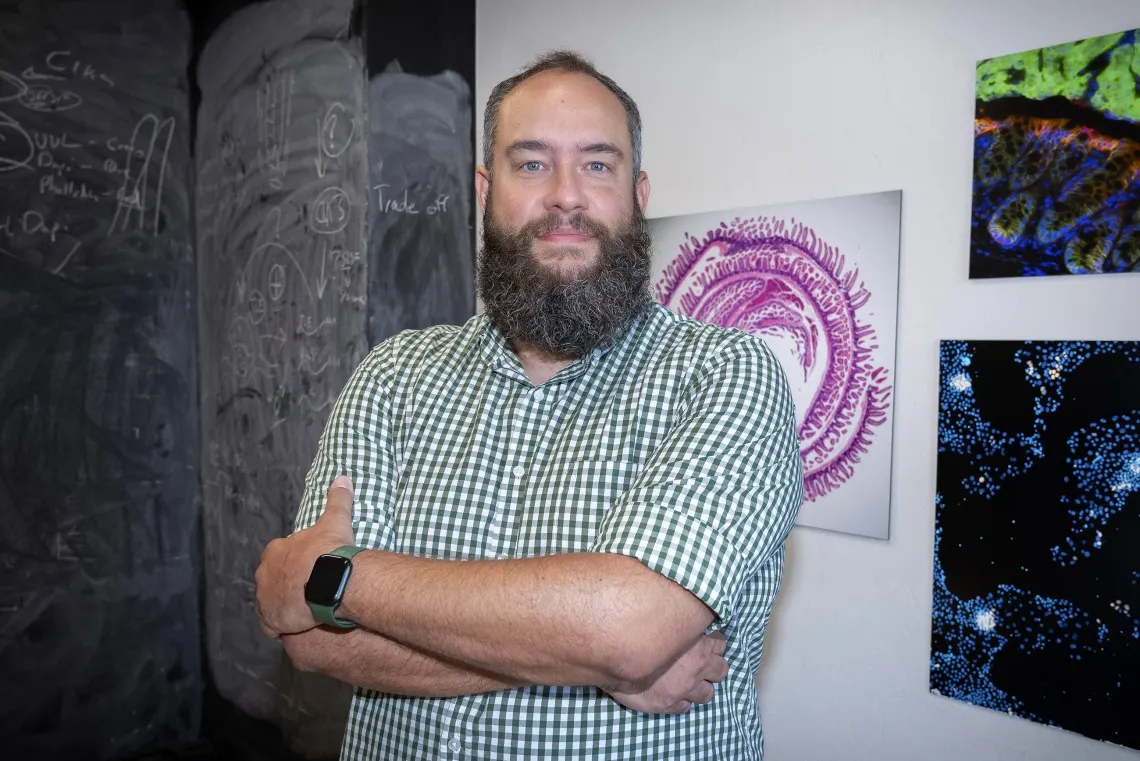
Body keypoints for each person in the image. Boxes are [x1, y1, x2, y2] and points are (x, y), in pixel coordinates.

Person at [255, 49, 804, 760]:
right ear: (486, 189)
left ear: (640, 194)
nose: (566, 196)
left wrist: (338, 574)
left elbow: (628, 630)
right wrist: (589, 664)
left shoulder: (727, 376)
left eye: (598, 164)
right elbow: (309, 637)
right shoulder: (392, 377)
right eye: (533, 163)